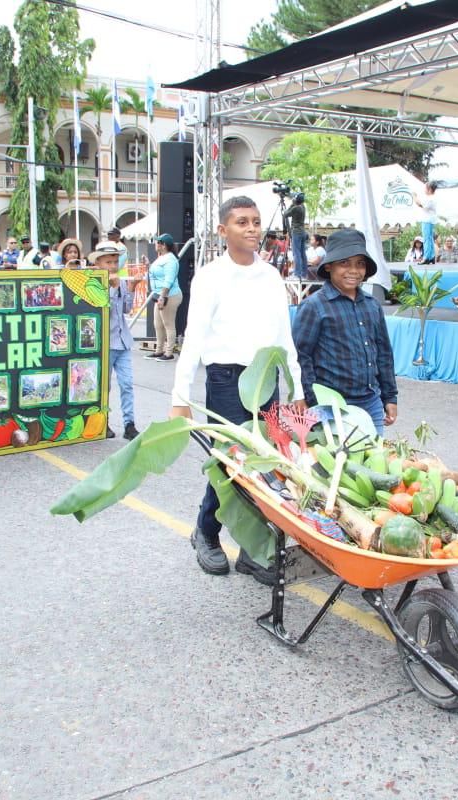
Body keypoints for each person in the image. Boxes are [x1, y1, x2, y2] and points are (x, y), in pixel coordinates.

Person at [172, 196, 305, 584]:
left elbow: (285, 338)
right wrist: (180, 398)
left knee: (266, 466)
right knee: (230, 465)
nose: (251, 229)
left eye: (256, 221)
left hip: (267, 379)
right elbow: (193, 339)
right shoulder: (211, 276)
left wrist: (296, 388)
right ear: (223, 230)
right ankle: (206, 534)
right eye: (242, 222)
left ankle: (252, 550)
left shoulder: (270, 277)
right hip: (227, 381)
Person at [293, 229, 397, 435]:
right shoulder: (314, 306)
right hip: (330, 405)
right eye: (345, 263)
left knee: (374, 459)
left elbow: (384, 354)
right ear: (329, 266)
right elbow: (300, 357)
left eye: (360, 263)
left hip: (371, 403)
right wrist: (311, 400)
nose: (354, 270)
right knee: (337, 462)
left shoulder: (372, 305)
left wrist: (390, 397)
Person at [88, 240, 139, 441]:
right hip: (105, 343)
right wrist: (112, 288)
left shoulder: (122, 281)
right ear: (99, 263)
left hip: (123, 341)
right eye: (108, 262)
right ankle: (103, 422)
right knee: (104, 386)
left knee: (127, 384)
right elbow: (100, 308)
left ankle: (129, 423)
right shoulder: (93, 283)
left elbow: (126, 308)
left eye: (115, 261)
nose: (112, 266)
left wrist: (130, 289)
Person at [147, 233, 182, 361]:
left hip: (169, 296)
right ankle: (159, 350)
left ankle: (169, 353)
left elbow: (169, 280)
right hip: (160, 295)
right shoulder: (162, 257)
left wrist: (163, 297)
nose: (155, 244)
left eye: (157, 242)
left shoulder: (170, 260)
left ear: (163, 245)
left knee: (168, 324)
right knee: (158, 324)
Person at [282, 192, 309, 280]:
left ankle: (297, 274)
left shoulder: (296, 208)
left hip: (296, 232)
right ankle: (304, 274)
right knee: (302, 253)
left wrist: (291, 203)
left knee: (296, 253)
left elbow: (285, 214)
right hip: (302, 232)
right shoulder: (302, 207)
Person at [415, 181, 439, 262]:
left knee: (426, 239)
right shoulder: (432, 198)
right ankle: (431, 257)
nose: (424, 190)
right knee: (430, 238)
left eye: (425, 188)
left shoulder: (430, 199)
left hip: (427, 220)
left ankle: (426, 257)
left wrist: (414, 196)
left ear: (429, 189)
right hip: (430, 220)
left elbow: (420, 204)